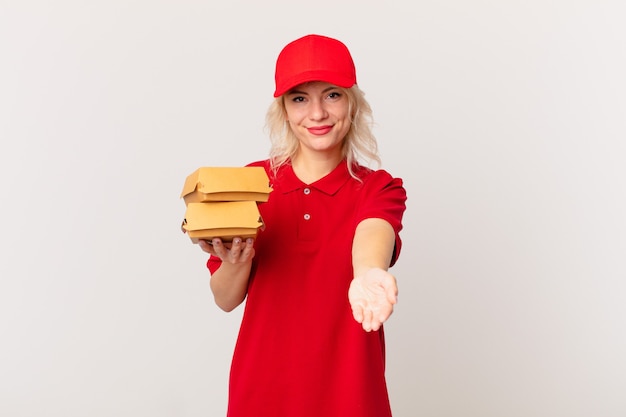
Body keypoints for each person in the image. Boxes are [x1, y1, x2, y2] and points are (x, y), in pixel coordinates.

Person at [198, 34, 407, 417]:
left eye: (331, 95)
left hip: (351, 396)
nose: (317, 114)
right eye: (300, 98)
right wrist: (237, 261)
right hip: (262, 394)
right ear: (283, 110)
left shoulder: (378, 187)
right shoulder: (251, 184)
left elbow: (373, 229)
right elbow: (225, 299)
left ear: (353, 103)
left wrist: (367, 272)